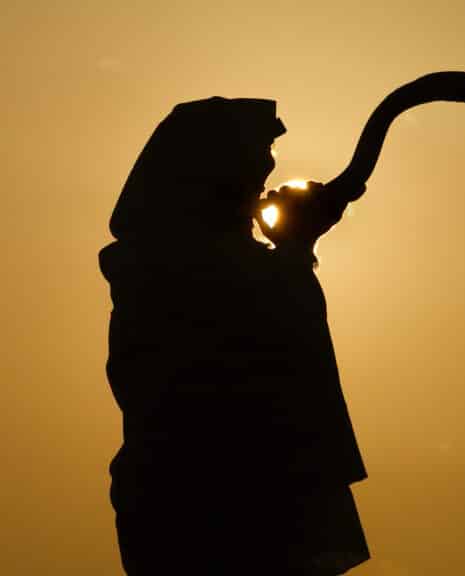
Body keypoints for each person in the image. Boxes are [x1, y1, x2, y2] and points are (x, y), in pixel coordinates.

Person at [99, 97, 369, 575]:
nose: (266, 171)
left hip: (249, 497)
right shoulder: (161, 267)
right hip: (206, 507)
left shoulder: (216, 261)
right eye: (256, 160)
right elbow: (255, 347)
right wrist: (295, 248)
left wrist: (294, 248)